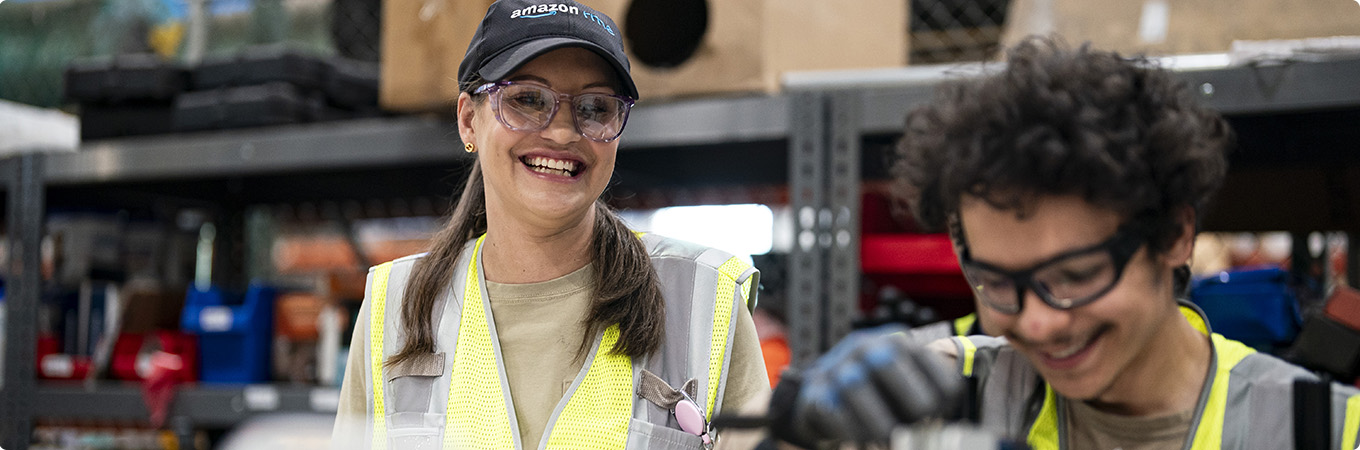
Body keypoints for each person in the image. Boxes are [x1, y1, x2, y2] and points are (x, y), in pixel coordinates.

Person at [768, 38, 1360, 449]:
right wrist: (797, 435)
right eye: (1000, 282)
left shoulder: (1324, 430)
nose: (1040, 324)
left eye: (1075, 276)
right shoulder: (946, 393)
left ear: (1176, 235)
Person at [332, 1, 769, 448]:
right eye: (526, 99)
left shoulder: (702, 300)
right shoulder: (397, 309)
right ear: (468, 119)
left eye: (595, 107)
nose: (562, 133)